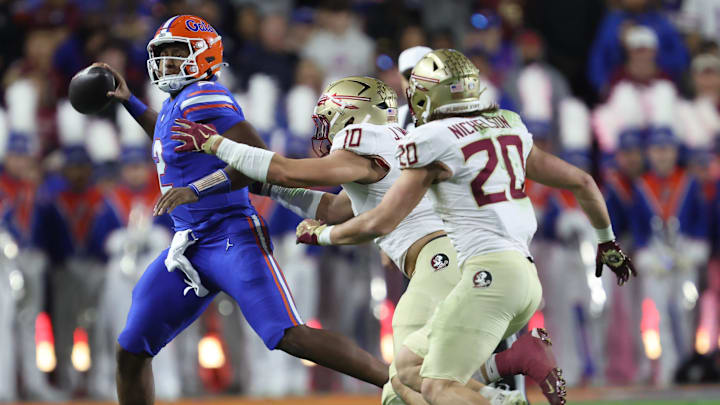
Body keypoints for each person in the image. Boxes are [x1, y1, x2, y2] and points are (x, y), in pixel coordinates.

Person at [286, 49, 634, 404]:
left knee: (434, 385)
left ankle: (509, 388)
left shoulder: (432, 139)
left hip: (484, 276)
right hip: (522, 274)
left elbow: (381, 219)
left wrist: (323, 234)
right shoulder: (508, 123)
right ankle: (512, 378)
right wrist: (607, 242)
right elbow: (584, 183)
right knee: (407, 375)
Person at [167, 76, 527, 405]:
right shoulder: (393, 145)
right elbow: (336, 209)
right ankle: (501, 391)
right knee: (415, 377)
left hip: (439, 263)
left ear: (353, 114)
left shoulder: (366, 140)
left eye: (329, 117)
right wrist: (270, 187)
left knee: (406, 380)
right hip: (453, 259)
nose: (324, 129)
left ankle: (503, 388)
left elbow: (288, 169)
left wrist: (215, 144)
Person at [100, 15, 389, 405]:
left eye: (175, 53)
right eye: (162, 55)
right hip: (189, 246)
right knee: (131, 349)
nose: (166, 63)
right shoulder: (176, 102)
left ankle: (395, 382)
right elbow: (168, 137)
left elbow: (257, 161)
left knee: (288, 335)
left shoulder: (206, 95)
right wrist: (129, 102)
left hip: (231, 236)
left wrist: (197, 189)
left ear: (203, 56)